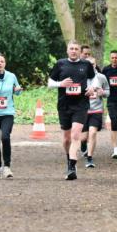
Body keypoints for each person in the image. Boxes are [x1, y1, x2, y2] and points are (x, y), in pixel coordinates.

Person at [48, 40, 99, 180]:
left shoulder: (86, 64)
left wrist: (92, 88)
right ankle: (69, 157)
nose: (74, 51)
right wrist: (61, 84)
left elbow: (94, 79)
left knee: (75, 136)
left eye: (76, 49)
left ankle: (72, 167)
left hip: (81, 105)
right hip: (64, 105)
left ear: (79, 51)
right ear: (67, 50)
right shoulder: (60, 64)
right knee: (66, 139)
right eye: (71, 48)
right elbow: (50, 82)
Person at [0, 54, 22, 179]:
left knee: (5, 137)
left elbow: (17, 92)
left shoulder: (11, 76)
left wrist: (18, 89)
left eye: (2, 61)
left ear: (5, 63)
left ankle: (7, 167)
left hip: (7, 113)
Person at [83, 55, 110, 168]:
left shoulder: (101, 77)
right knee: (83, 137)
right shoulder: (80, 77)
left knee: (93, 133)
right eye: (88, 65)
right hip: (82, 111)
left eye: (92, 64)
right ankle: (82, 144)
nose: (90, 67)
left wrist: (102, 93)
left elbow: (108, 92)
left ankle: (89, 159)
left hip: (96, 110)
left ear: (95, 65)